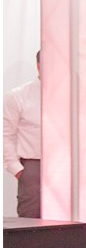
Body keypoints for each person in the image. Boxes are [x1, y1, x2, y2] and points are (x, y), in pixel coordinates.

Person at [4, 51, 42, 217]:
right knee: (31, 224)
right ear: (39, 66)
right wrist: (17, 169)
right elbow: (6, 135)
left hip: (66, 168)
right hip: (33, 166)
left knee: (65, 227)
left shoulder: (72, 96)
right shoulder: (17, 96)